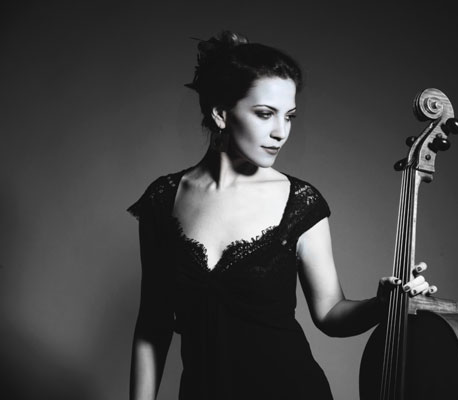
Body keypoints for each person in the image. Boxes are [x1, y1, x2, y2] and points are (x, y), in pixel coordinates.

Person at [127, 30, 435, 400]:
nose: (280, 132)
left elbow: (330, 314)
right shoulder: (163, 199)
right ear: (220, 113)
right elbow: (152, 326)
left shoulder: (300, 202)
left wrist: (383, 304)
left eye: (289, 116)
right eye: (265, 114)